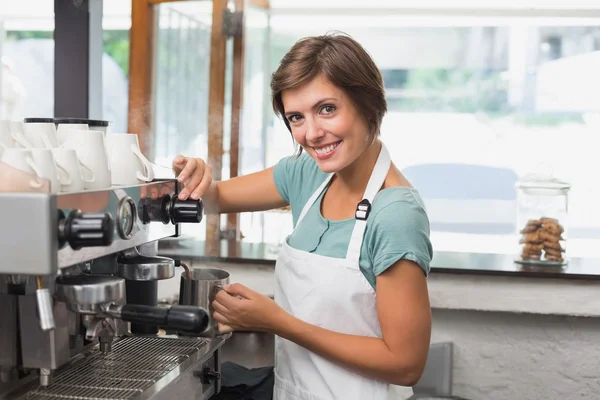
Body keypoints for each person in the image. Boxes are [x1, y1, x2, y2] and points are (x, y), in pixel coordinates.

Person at [172, 33, 433, 400]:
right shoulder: (309, 173)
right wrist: (197, 171)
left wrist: (277, 321)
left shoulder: (395, 215)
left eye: (327, 108)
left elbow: (406, 364)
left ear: (368, 103)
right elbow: (211, 197)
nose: (311, 134)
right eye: (296, 117)